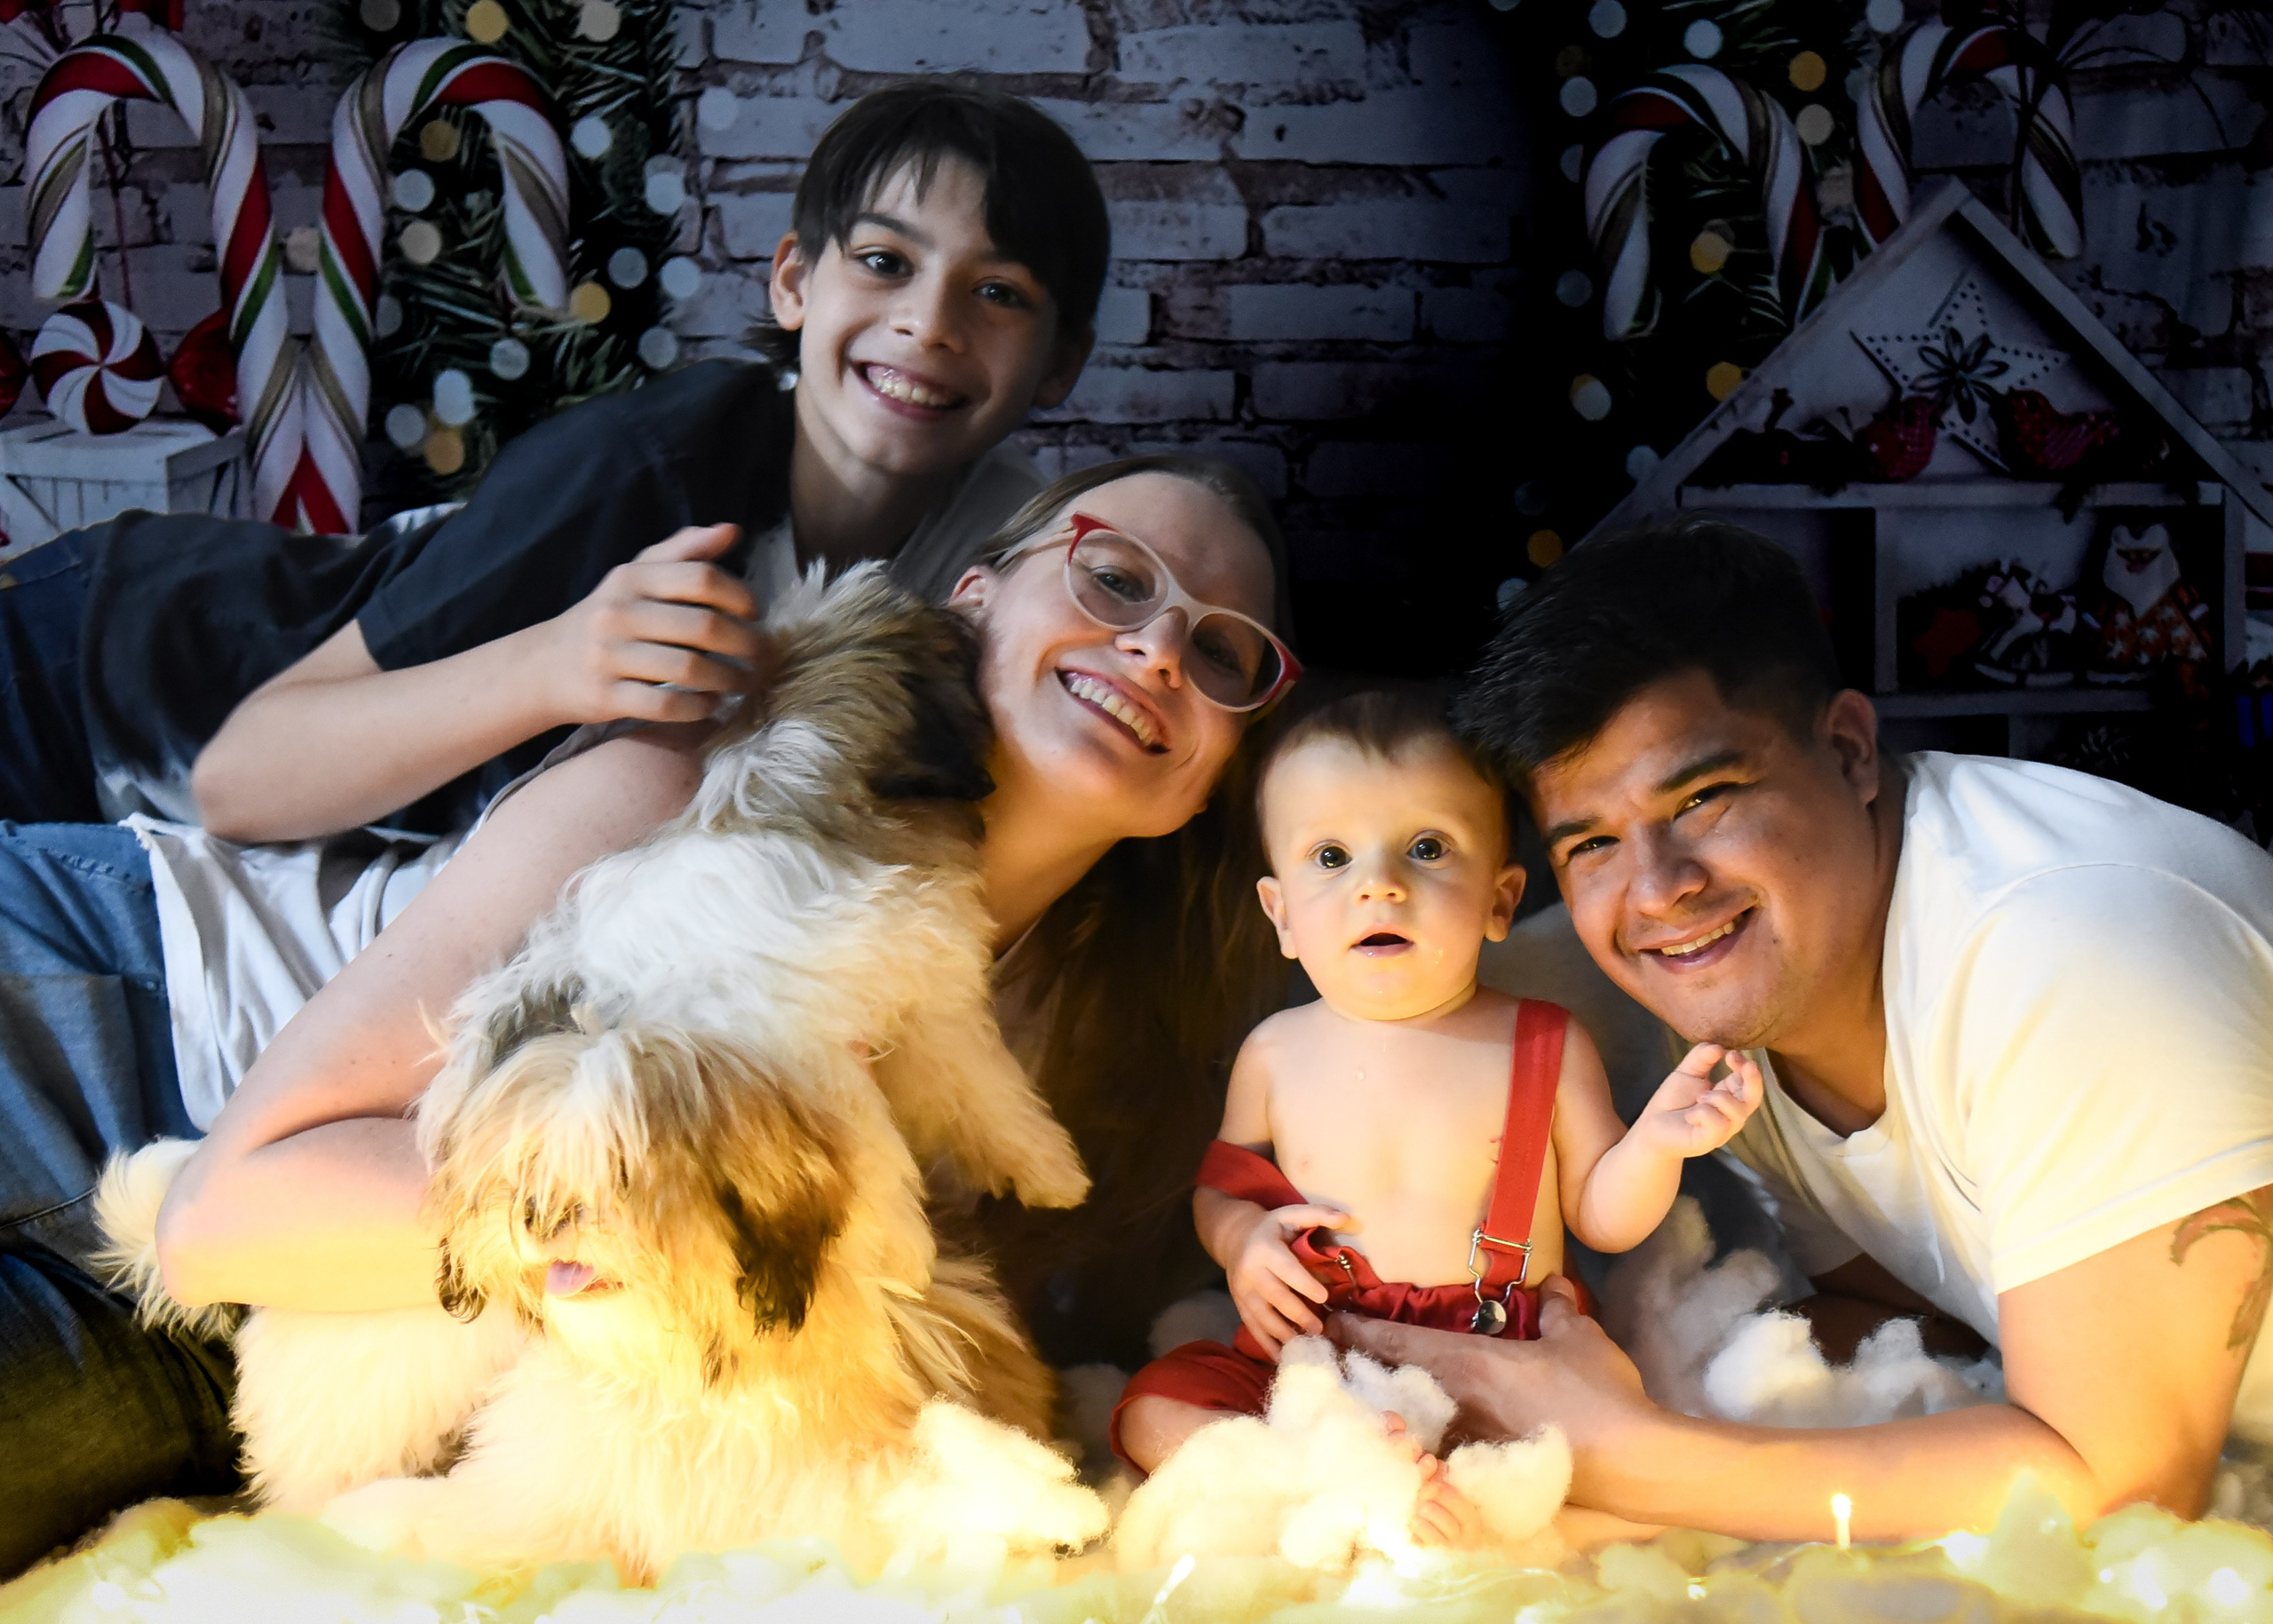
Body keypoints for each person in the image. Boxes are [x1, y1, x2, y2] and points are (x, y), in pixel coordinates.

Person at [0, 456, 1295, 1574]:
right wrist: (689, 1225)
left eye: (1224, 649)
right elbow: (231, 1215)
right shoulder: (698, 793)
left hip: (300, 1333)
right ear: (978, 594)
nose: (1160, 648)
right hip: (121, 1021)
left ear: (1216, 777)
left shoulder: (1096, 1043)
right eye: (1115, 577)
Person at [1334, 517, 2273, 1542]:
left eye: (1705, 796)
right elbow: (1908, 1311)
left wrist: (1613, 1448)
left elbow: (2123, 1482)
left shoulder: (2068, 942)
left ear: (1847, 750)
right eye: (1592, 842)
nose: (1658, 891)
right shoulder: (1763, 1005)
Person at [0, 77, 1103, 843]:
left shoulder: (1014, 543)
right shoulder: (646, 472)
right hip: (95, 678)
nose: (930, 322)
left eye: (998, 292)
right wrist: (557, 663)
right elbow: (244, 776)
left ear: (1060, 364)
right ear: (794, 283)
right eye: (882, 261)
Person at [1107, 687, 1762, 1540]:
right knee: (1149, 1411)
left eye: (1426, 849)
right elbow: (1222, 1188)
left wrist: (1659, 1143)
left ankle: (1416, 1499)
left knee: (1593, 1461)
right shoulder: (1275, 1050)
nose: (1378, 886)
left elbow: (1603, 1216)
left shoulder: (1544, 1042)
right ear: (1282, 918)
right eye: (1332, 856)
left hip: (1504, 1360)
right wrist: (1243, 1242)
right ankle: (1338, 1484)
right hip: (1317, 1355)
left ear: (1499, 899)